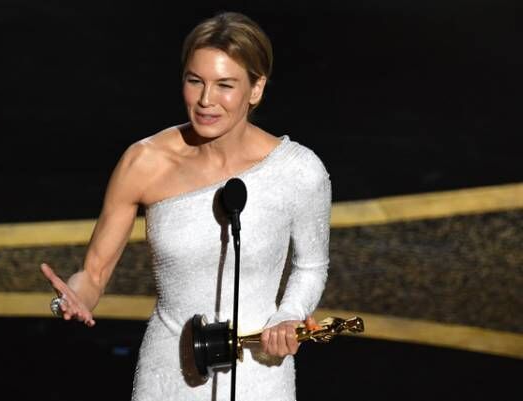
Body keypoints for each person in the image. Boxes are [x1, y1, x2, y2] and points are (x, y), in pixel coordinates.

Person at [41, 11, 331, 401]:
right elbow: (94, 273)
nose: (206, 100)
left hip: (260, 370)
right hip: (170, 370)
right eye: (195, 81)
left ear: (256, 88)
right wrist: (74, 298)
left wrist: (288, 315)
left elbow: (311, 266)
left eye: (225, 85)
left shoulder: (299, 170)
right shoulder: (144, 162)